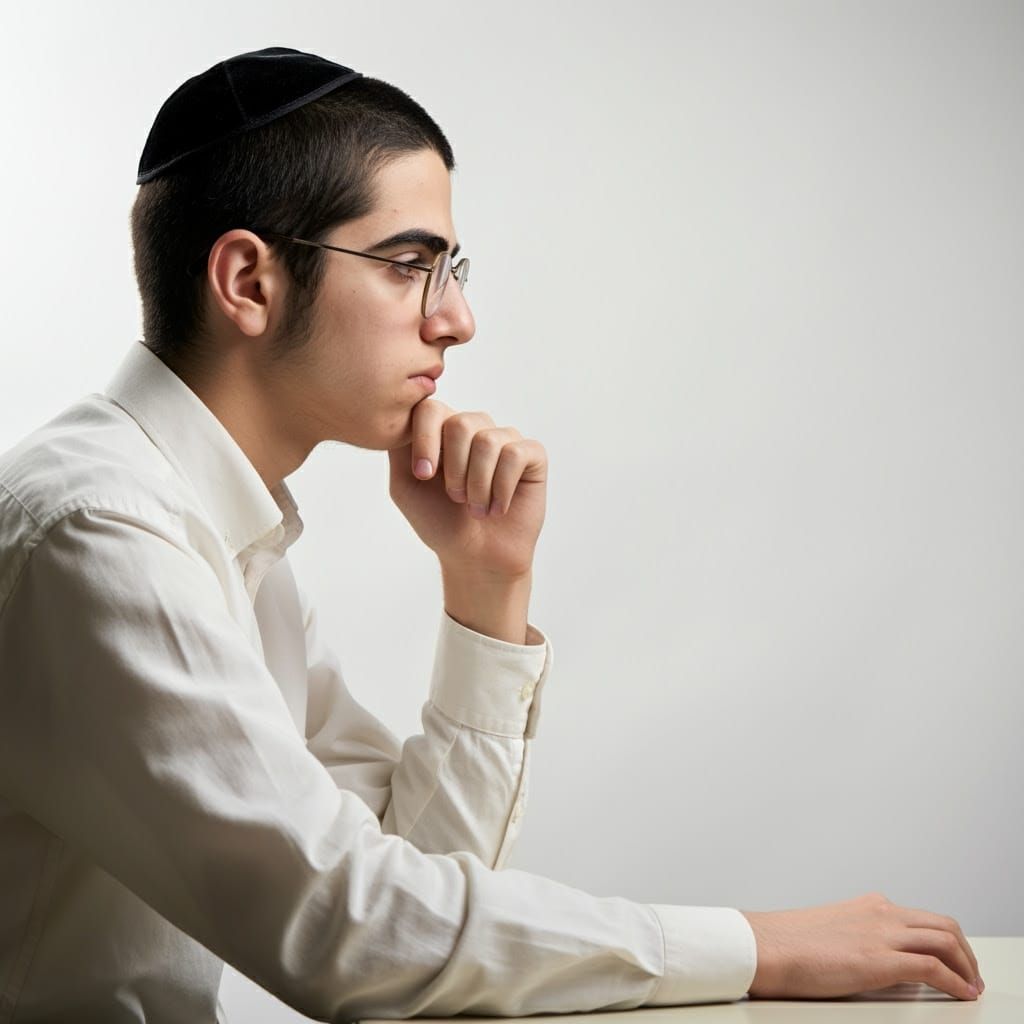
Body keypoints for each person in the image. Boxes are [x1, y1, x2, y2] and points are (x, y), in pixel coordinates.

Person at [0, 46, 983, 1023]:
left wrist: (486, 585)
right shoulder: (100, 534)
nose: (457, 320)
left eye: (452, 270)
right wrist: (756, 946)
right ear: (249, 281)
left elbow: (413, 897)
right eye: (410, 265)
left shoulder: (218, 535)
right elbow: (349, 932)